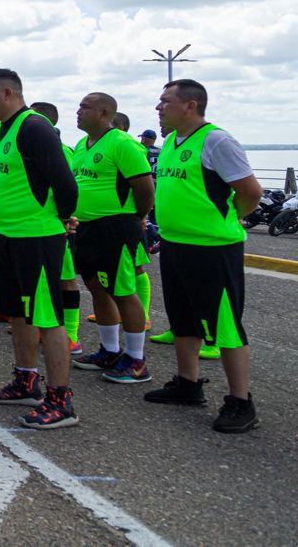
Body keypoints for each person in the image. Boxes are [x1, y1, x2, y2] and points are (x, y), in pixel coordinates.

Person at [143, 79, 262, 433]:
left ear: (190, 105)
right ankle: (188, 384)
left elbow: (250, 192)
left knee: (225, 324)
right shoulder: (169, 145)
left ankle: (241, 402)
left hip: (213, 248)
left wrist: (226, 217)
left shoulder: (216, 140)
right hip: (177, 243)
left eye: (165, 101)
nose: (159, 107)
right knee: (184, 318)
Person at [0, 70, 80, 429]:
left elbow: (65, 183)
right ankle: (26, 379)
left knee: (46, 317)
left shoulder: (34, 127)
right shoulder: (2, 129)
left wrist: (62, 217)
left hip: (37, 235)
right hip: (8, 234)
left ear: (8, 93)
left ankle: (60, 398)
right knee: (17, 313)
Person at [69, 92, 154, 384]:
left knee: (122, 291)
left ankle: (136, 359)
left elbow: (144, 187)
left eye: (85, 107)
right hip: (86, 228)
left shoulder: (122, 143)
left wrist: (137, 216)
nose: (78, 111)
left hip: (116, 228)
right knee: (97, 289)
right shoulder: (82, 145)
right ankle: (109, 349)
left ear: (104, 112)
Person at [29, 101, 84, 356]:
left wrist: (65, 216)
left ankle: (72, 333)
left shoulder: (60, 148)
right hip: (36, 225)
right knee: (45, 280)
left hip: (55, 225)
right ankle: (43, 325)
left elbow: (69, 185)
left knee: (66, 277)